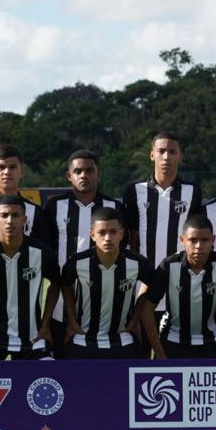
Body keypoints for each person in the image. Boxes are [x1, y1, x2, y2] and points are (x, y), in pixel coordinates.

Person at [43, 149, 126, 355]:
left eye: (89, 170)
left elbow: (123, 251)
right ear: (69, 176)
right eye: (78, 171)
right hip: (63, 298)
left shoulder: (114, 207)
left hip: (104, 297)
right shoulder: (55, 206)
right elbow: (47, 249)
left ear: (98, 174)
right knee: (63, 362)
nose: (84, 175)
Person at [0, 195, 61, 360]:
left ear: (25, 219)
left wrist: (45, 324)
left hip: (33, 338)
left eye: (15, 215)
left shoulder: (41, 252)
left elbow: (56, 284)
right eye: (4, 216)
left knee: (49, 377)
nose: (10, 220)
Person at [142, 214, 216, 359]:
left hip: (215, 340)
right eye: (192, 240)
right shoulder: (168, 266)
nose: (198, 246)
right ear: (182, 240)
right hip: (173, 340)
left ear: (213, 240)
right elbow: (147, 309)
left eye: (205, 240)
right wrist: (158, 351)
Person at [60, 207, 154, 359]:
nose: (108, 238)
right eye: (102, 233)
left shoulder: (137, 263)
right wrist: (71, 319)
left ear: (122, 234)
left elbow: (151, 284)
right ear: (92, 235)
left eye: (113, 232)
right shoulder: (77, 262)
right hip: (84, 337)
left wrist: (136, 318)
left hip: (122, 338)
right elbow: (65, 284)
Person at [124, 132, 202, 267]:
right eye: (161, 151)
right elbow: (132, 234)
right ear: (152, 155)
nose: (166, 157)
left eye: (172, 152)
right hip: (145, 273)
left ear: (180, 156)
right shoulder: (134, 190)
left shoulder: (193, 191)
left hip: (180, 272)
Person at [0, 144, 50, 245]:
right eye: (1, 167)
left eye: (12, 167)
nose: (7, 172)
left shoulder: (36, 213)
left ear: (22, 171)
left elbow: (43, 253)